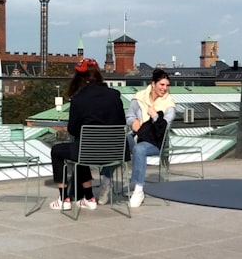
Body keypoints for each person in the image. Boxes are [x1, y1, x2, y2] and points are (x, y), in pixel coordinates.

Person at [49, 59, 126, 211]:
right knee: (83, 145)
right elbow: (122, 123)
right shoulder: (114, 95)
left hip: (87, 152)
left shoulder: (78, 99)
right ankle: (89, 198)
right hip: (114, 153)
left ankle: (64, 198)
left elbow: (72, 129)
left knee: (58, 151)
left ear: (80, 78)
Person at [124, 68, 177, 208]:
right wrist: (133, 121)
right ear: (153, 84)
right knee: (117, 143)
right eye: (162, 85)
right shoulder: (139, 98)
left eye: (167, 85)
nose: (165, 89)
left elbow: (163, 129)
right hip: (137, 136)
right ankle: (107, 183)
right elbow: (129, 116)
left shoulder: (169, 106)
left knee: (139, 149)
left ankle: (138, 189)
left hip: (156, 142)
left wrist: (154, 116)